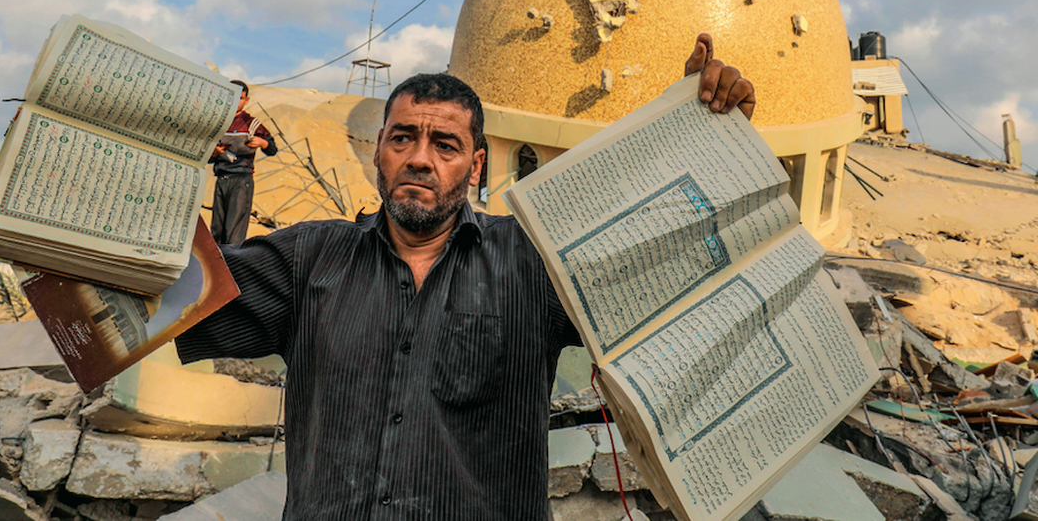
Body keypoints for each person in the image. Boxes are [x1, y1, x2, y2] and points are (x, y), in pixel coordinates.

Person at [176, 34, 755, 519]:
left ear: (476, 164)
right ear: (380, 149)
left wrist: (699, 136)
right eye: (403, 137)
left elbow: (661, 261)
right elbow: (160, 289)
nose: (420, 158)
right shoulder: (311, 259)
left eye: (445, 144)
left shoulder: (534, 264)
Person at [209, 80, 277, 246]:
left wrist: (263, 143)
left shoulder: (252, 124)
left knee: (234, 231)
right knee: (217, 229)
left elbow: (272, 149)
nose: (236, 102)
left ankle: (232, 267)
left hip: (241, 180)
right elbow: (204, 155)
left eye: (240, 98)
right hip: (221, 178)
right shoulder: (218, 123)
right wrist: (214, 153)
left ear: (246, 100)